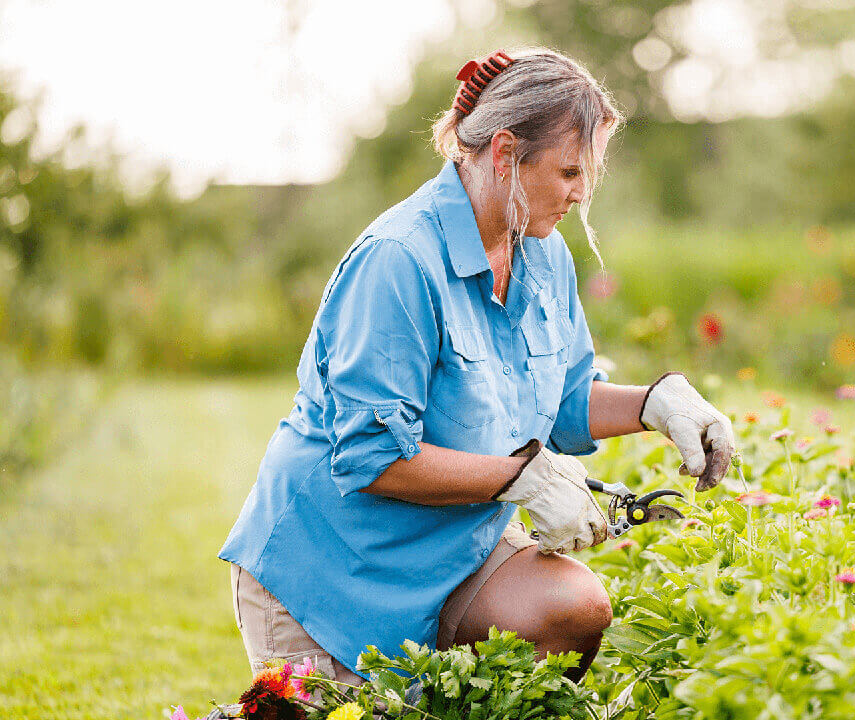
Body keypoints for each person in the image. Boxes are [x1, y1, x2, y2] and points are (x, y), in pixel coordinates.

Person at [218, 47, 737, 687]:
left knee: (572, 609)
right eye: (570, 171)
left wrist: (655, 402)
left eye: (589, 175)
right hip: (333, 578)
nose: (580, 195)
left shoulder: (543, 256)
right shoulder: (398, 260)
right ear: (503, 154)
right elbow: (370, 456)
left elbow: (565, 400)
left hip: (455, 559)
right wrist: (523, 480)